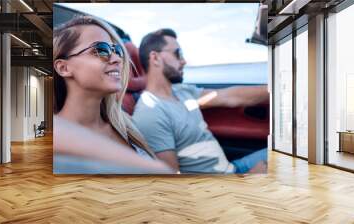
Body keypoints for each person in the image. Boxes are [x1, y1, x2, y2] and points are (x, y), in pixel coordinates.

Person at [132, 28, 269, 174]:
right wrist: (248, 179)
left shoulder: (182, 91)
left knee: (291, 150)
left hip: (232, 170)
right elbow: (172, 186)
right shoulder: (150, 113)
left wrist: (279, 89)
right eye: (178, 54)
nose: (184, 61)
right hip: (223, 186)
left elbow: (229, 96)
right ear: (155, 58)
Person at [53, 15, 168, 173]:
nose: (117, 59)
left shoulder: (125, 123)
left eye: (117, 50)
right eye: (100, 50)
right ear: (63, 68)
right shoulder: (55, 136)